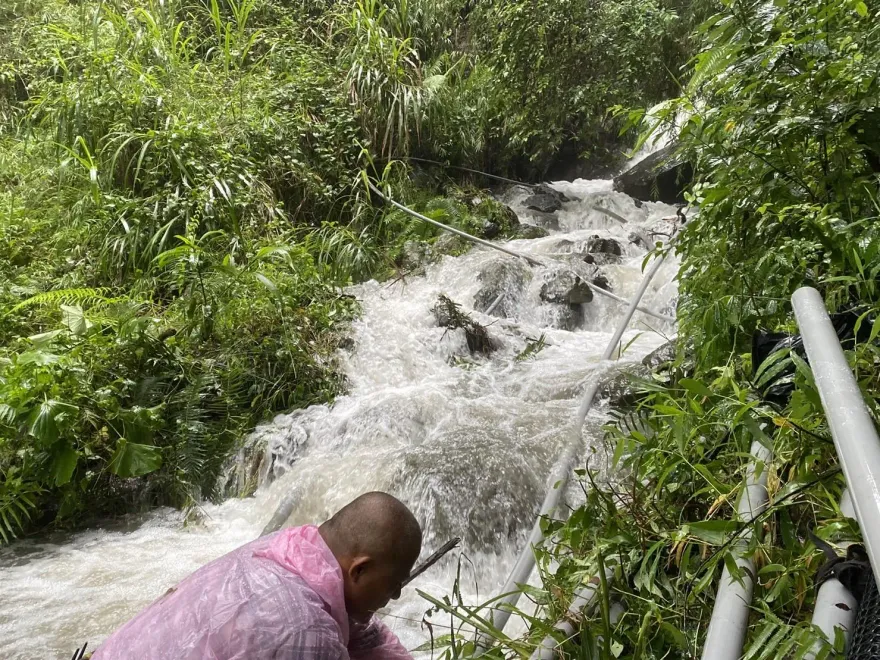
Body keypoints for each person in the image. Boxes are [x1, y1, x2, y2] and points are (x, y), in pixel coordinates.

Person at [91, 491, 423, 659]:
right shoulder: (308, 632)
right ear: (359, 569)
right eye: (395, 585)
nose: (394, 597)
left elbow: (365, 633)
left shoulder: (292, 548)